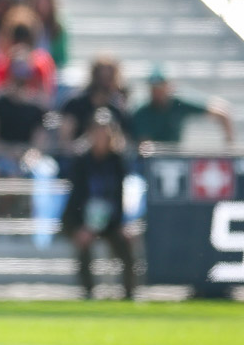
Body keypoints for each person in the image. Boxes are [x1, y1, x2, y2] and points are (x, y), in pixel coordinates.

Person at [61, 108, 135, 299]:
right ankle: (88, 293)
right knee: (83, 246)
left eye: (105, 130)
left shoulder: (117, 161)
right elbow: (76, 197)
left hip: (109, 219)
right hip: (81, 218)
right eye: (97, 130)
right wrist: (82, 227)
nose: (101, 135)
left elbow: (119, 196)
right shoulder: (81, 161)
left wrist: (121, 223)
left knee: (127, 250)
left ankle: (130, 294)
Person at [131, 65, 233, 146]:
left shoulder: (179, 104)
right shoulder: (141, 112)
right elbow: (144, 145)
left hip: (176, 157)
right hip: (151, 162)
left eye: (160, 87)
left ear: (168, 86)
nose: (157, 92)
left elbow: (220, 112)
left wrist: (229, 144)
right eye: (154, 88)